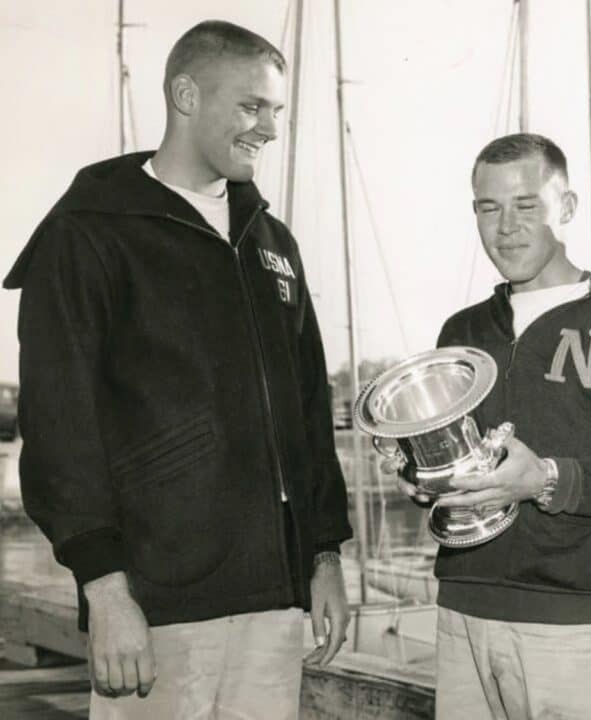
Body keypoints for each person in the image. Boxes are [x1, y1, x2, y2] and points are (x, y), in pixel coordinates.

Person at [4, 20, 352, 719]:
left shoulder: (271, 242)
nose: (269, 129)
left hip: (273, 604)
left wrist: (324, 555)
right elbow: (58, 429)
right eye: (252, 106)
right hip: (155, 609)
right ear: (186, 95)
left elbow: (308, 410)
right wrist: (105, 591)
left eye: (277, 111)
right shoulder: (91, 232)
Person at [394, 132, 591, 719]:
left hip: (574, 624)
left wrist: (547, 479)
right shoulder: (463, 329)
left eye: (526, 205)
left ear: (568, 207)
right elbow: (458, 461)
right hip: (462, 613)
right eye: (488, 207)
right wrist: (420, 476)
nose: (505, 226)